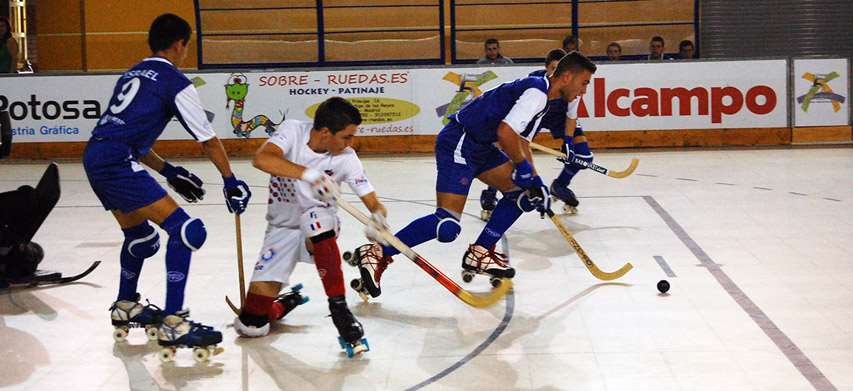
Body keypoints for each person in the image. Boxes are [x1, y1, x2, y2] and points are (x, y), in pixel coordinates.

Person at [352, 52, 597, 297]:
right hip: (460, 141)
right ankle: (376, 253)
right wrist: (523, 170)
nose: (584, 90)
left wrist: (536, 182)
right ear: (566, 77)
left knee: (523, 196)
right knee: (446, 226)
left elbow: (520, 140)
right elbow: (505, 133)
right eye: (584, 83)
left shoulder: (545, 98)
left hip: (482, 146)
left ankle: (480, 252)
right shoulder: (536, 92)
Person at [82, 14, 252, 354]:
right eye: (186, 47)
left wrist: (169, 171)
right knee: (187, 231)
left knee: (141, 238)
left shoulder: (132, 73)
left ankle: (126, 305)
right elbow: (207, 138)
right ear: (180, 44)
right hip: (117, 163)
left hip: (97, 157)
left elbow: (130, 138)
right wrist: (230, 180)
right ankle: (175, 323)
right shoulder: (174, 80)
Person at [233, 97, 386, 356]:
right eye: (346, 137)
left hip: (321, 226)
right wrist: (310, 174)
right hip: (282, 228)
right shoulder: (293, 131)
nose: (351, 144)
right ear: (325, 132)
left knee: (314, 218)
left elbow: (373, 201)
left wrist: (378, 218)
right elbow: (262, 160)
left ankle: (340, 311)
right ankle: (284, 304)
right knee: (251, 326)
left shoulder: (347, 158)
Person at [481, 49, 595, 219]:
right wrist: (535, 179)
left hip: (559, 117)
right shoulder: (537, 87)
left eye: (560, 68)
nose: (556, 72)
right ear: (546, 68)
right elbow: (517, 139)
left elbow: (571, 117)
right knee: (508, 153)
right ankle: (490, 196)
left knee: (584, 157)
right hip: (538, 113)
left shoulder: (573, 88)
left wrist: (568, 143)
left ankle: (560, 186)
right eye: (553, 68)